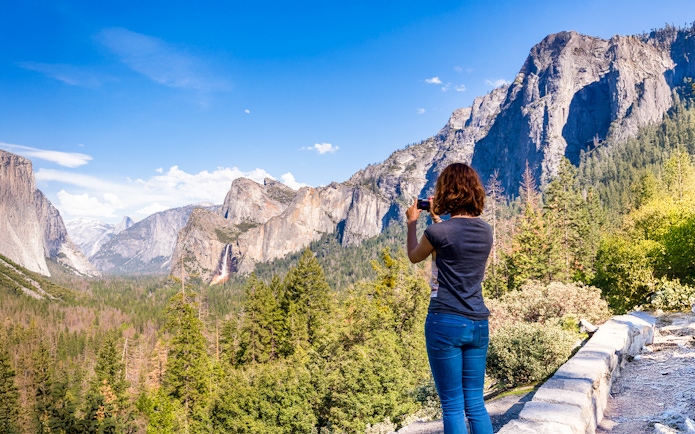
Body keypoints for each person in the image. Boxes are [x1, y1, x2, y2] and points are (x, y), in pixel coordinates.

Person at [406, 163, 493, 434]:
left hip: (445, 322)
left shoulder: (437, 233)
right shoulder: (486, 230)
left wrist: (412, 223)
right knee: (475, 403)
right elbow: (455, 239)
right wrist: (436, 220)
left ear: (446, 192)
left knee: (453, 406)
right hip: (478, 323)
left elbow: (414, 255)